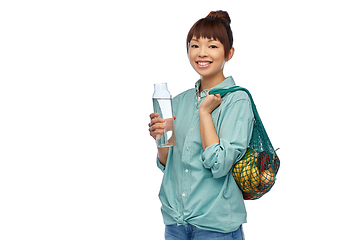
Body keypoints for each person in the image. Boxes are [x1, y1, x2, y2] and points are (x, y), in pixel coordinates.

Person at [148, 10, 254, 240]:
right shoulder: (179, 101)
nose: (202, 53)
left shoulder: (237, 100)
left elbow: (219, 165)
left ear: (229, 53)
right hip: (175, 223)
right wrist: (160, 138)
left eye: (213, 46)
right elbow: (169, 165)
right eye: (195, 45)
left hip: (215, 227)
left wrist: (205, 113)